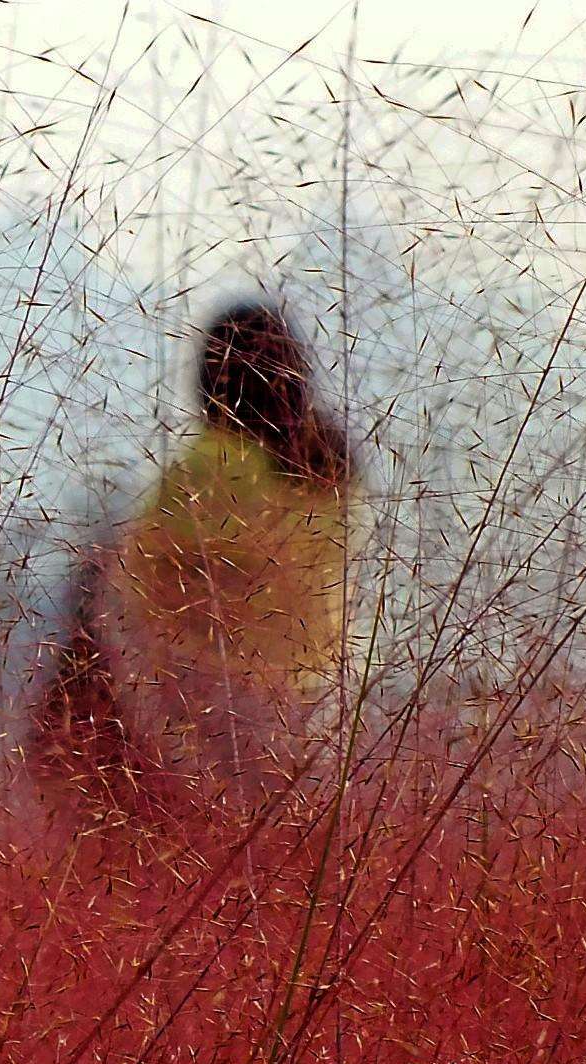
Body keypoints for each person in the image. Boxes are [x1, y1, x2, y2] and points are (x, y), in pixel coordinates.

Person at [31, 303, 351, 821]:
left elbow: (134, 596)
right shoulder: (329, 474)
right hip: (296, 717)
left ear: (212, 384)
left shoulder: (211, 466)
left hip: (193, 715)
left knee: (94, 587)